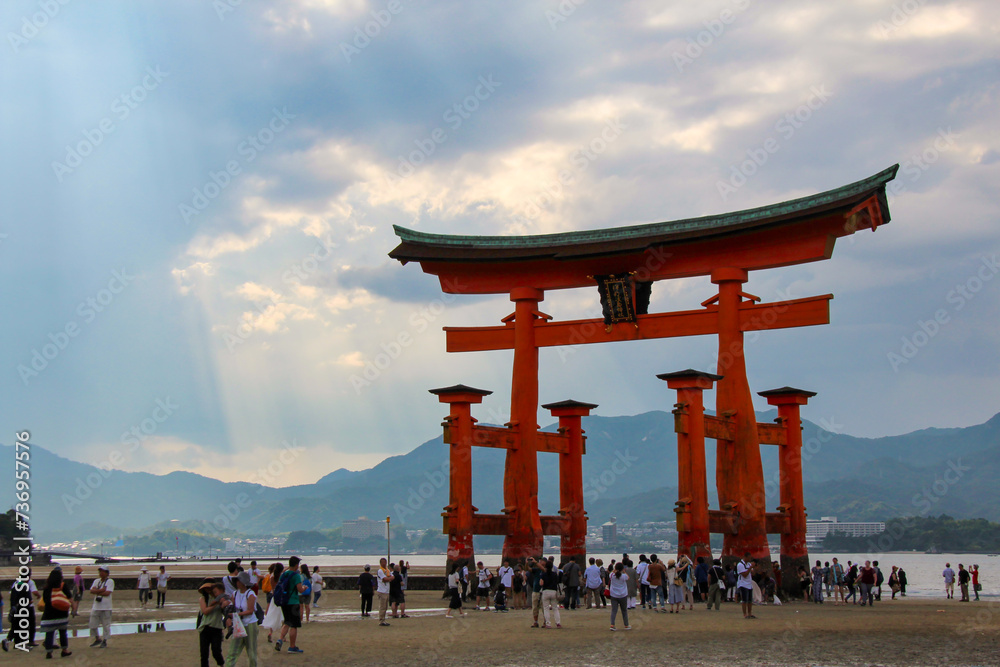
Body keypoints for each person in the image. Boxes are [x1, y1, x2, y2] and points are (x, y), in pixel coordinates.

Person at [275, 555, 306, 653]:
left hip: (284, 601)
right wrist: (304, 588)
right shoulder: (296, 575)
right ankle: (292, 646)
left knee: (287, 622)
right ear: (296, 565)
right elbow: (299, 589)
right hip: (293, 602)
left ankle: (280, 639)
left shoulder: (284, 574)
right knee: (294, 625)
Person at [226, 571, 258, 667]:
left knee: (251, 652)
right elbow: (232, 607)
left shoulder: (250, 594)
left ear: (243, 582)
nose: (237, 583)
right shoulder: (235, 594)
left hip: (250, 623)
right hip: (239, 623)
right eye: (236, 581)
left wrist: (236, 615)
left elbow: (250, 611)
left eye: (238, 581)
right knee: (232, 651)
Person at [40, 568, 72, 659]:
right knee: (63, 633)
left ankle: (49, 652)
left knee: (49, 634)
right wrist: (72, 607)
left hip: (49, 614)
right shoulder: (62, 586)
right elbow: (69, 597)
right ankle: (64, 650)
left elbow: (45, 600)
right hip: (61, 614)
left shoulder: (47, 588)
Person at [197, 579, 225, 667]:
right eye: (206, 588)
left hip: (217, 627)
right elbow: (205, 611)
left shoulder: (220, 597)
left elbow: (226, 607)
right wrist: (215, 603)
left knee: (216, 651)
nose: (208, 590)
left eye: (209, 588)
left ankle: (221, 664)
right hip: (205, 628)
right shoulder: (203, 598)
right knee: (204, 653)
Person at [88, 565, 114, 648]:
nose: (101, 573)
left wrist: (97, 591)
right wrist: (101, 590)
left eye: (102, 571)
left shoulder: (110, 581)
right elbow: (91, 591)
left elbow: (107, 593)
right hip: (96, 606)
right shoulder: (97, 581)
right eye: (100, 571)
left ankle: (105, 640)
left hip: (106, 607)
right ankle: (97, 638)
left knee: (106, 625)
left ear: (107, 573)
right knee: (92, 624)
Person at [262, 563, 283, 643]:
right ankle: (282, 636)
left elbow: (273, 590)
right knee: (283, 616)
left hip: (274, 597)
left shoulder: (272, 577)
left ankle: (270, 633)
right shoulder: (281, 577)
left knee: (272, 614)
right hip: (281, 597)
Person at [608, 562, 630, 631]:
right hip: (623, 595)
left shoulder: (612, 575)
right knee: (624, 610)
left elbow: (611, 573)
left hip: (614, 595)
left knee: (614, 610)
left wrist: (614, 570)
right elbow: (628, 577)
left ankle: (612, 625)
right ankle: (626, 625)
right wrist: (624, 571)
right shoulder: (623, 576)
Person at [540, 560, 561, 629]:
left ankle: (548, 623)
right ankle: (558, 623)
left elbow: (541, 583)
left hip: (545, 591)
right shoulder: (555, 574)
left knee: (546, 608)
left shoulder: (543, 574)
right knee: (555, 608)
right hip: (553, 591)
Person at [375, 557, 394, 626]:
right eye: (383, 562)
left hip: (387, 591)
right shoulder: (380, 571)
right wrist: (389, 579)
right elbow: (384, 579)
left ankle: (383, 619)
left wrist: (389, 578)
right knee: (382, 607)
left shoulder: (387, 570)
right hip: (382, 591)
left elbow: (393, 577)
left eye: (385, 562)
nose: (384, 564)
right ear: (380, 563)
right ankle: (381, 620)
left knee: (385, 607)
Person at [737, 553, 755, 619]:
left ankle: (750, 613)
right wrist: (750, 568)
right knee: (744, 600)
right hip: (743, 584)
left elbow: (753, 573)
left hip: (749, 584)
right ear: (745, 557)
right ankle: (745, 614)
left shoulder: (749, 564)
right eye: (749, 558)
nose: (750, 559)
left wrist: (753, 568)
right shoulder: (740, 565)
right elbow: (744, 574)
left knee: (750, 600)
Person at [528, 557, 544, 628]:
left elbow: (543, 569)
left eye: (541, 561)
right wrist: (526, 563)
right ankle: (535, 622)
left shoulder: (545, 570)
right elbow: (528, 569)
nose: (540, 562)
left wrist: (536, 562)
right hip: (535, 590)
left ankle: (545, 621)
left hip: (543, 591)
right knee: (535, 608)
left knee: (544, 607)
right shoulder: (537, 570)